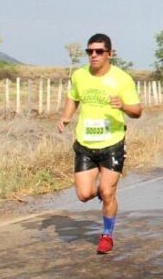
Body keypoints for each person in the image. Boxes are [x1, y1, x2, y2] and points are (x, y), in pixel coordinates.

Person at [57, 33, 142, 255]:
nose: (93, 55)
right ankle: (104, 196)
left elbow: (137, 111)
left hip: (112, 142)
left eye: (99, 51)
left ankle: (107, 235)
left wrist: (122, 106)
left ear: (109, 54)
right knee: (84, 195)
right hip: (85, 143)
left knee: (107, 191)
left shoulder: (122, 79)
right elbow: (73, 97)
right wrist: (66, 117)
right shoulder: (79, 76)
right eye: (90, 51)